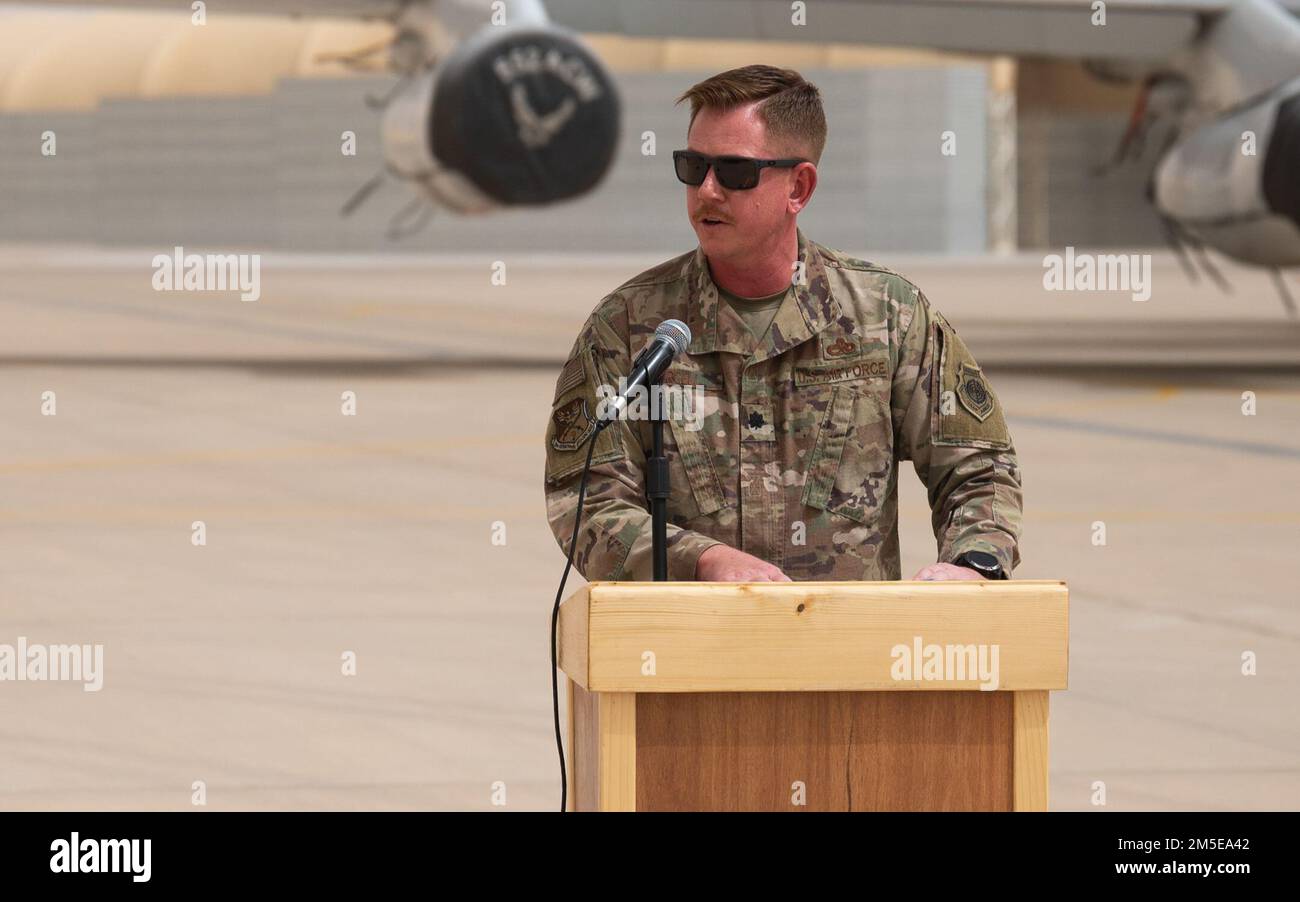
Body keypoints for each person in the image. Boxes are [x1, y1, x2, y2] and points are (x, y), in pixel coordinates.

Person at [543, 64, 1022, 582]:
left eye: (734, 172)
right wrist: (703, 561)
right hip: (693, 652)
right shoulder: (631, 327)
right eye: (693, 166)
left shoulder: (887, 317)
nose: (707, 190)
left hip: (845, 651)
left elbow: (979, 469)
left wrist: (972, 566)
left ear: (799, 187)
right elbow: (586, 500)